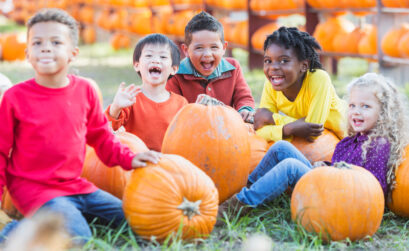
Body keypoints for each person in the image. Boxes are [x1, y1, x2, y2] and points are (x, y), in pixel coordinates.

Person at [0, 9, 161, 244]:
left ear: (73, 53)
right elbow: (1, 151)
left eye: (56, 42)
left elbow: (101, 137)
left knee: (139, 222)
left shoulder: (85, 91)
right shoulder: (15, 98)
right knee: (80, 238)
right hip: (34, 189)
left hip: (76, 185)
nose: (46, 48)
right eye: (38, 42)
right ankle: (14, 231)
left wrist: (129, 159)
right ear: (27, 54)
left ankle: (67, 215)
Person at [219, 72, 409, 219]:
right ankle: (248, 188)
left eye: (365, 106)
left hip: (346, 204)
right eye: (352, 106)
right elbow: (337, 167)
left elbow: (373, 187)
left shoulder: (379, 146)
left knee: (290, 167)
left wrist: (330, 173)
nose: (356, 112)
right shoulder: (348, 142)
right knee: (280, 148)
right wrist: (325, 168)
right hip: (330, 186)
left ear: (384, 112)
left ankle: (238, 206)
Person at [254, 27, 346, 142]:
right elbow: (259, 130)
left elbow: (312, 131)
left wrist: (271, 118)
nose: (273, 67)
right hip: (317, 145)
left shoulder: (319, 79)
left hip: (348, 140)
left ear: (304, 66)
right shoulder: (271, 84)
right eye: (268, 61)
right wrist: (286, 130)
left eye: (284, 61)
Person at [165, 11, 255, 123]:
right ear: (186, 50)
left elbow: (244, 97)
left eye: (213, 47)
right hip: (191, 132)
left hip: (227, 130)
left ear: (223, 48)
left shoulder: (233, 68)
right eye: (199, 48)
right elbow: (172, 110)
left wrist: (245, 109)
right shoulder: (175, 74)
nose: (207, 54)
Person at [105, 34, 188, 152]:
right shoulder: (130, 98)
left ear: (174, 69)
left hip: (169, 163)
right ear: (137, 65)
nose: (155, 60)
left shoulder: (181, 103)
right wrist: (116, 107)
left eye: (163, 57)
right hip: (137, 161)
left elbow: (186, 137)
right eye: (149, 55)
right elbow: (110, 127)